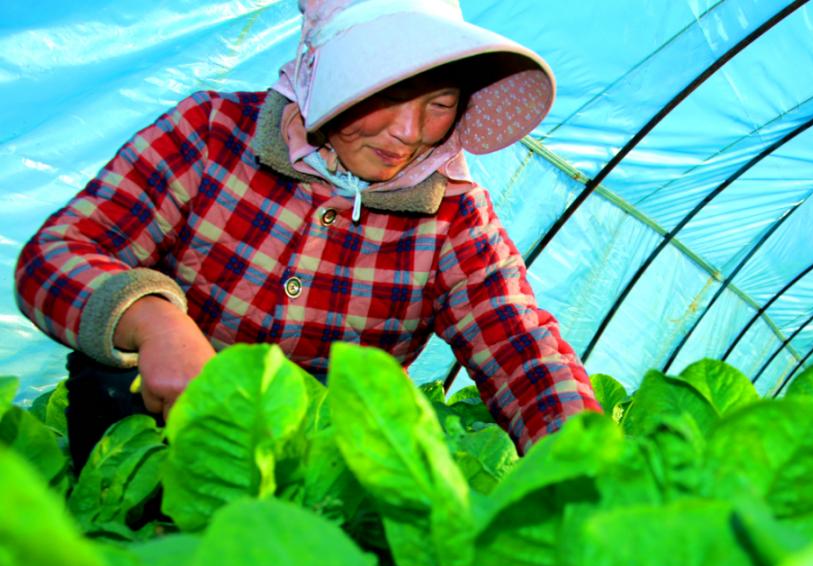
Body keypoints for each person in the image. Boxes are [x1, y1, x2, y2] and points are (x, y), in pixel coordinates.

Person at [15, 0, 601, 469]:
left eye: (439, 105)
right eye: (385, 94)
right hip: (153, 428)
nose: (406, 133)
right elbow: (53, 256)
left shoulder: (454, 217)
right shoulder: (211, 133)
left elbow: (521, 350)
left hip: (311, 478)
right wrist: (153, 319)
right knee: (112, 384)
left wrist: (590, 464)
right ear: (324, 74)